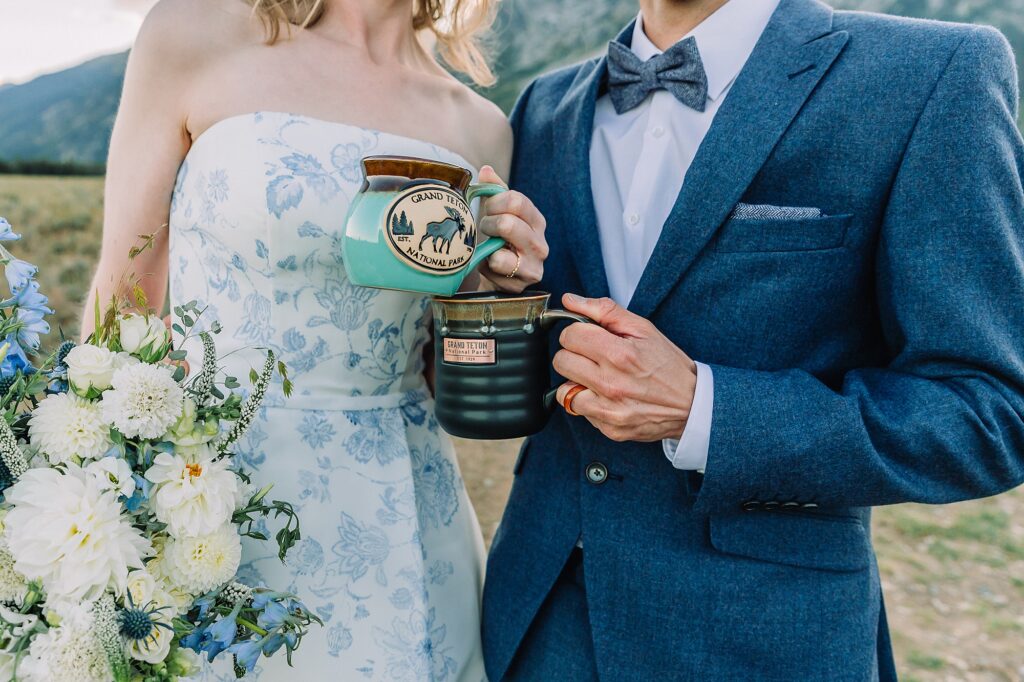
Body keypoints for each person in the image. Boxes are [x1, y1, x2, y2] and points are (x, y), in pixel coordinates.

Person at [483, 0, 1024, 679]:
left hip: (760, 638)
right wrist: (485, 303)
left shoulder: (931, 74)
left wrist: (703, 410)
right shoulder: (544, 106)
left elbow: (989, 411)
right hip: (536, 624)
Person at [84, 0, 549, 678]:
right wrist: (92, 493)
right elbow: (126, 288)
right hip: (206, 507)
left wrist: (493, 294)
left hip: (407, 516)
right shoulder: (190, 34)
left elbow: (444, 375)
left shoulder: (479, 126)